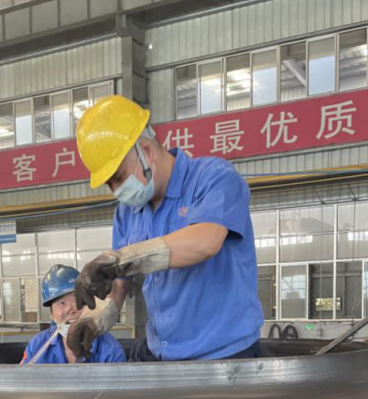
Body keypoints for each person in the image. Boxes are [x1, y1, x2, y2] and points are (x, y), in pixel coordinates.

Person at [66, 94, 264, 362]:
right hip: (162, 353)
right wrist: (93, 320)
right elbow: (119, 286)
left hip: (224, 357)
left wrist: (120, 260)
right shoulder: (127, 212)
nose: (116, 191)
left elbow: (205, 242)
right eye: (109, 184)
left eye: (119, 178)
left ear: (146, 153)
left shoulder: (214, 178)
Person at [21, 264, 126, 365]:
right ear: (51, 314)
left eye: (77, 301)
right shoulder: (37, 345)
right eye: (62, 303)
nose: (72, 310)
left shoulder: (111, 350)